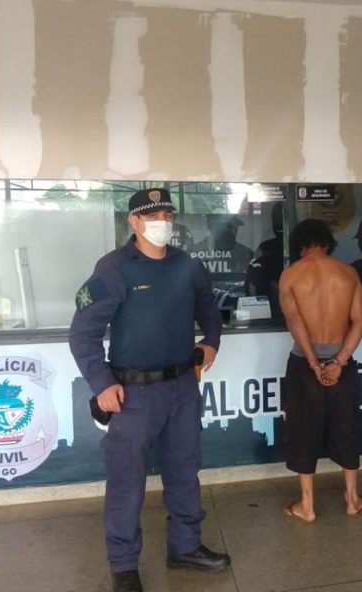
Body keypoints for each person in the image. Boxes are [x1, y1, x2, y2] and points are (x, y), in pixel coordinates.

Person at [69, 188, 231, 592]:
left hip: (181, 388)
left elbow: (210, 308)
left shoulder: (188, 266)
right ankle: (124, 568)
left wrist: (211, 340)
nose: (164, 221)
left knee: (184, 470)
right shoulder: (113, 269)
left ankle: (186, 547)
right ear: (135, 222)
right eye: (154, 215)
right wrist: (101, 382)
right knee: (127, 482)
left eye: (168, 214)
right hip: (132, 395)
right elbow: (82, 334)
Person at [278, 218, 362, 522]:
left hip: (305, 364)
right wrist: (339, 362)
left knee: (303, 430)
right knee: (346, 426)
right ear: (327, 242)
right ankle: (352, 499)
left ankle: (307, 506)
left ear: (300, 245)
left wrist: (314, 364)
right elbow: (359, 322)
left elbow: (295, 323)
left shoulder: (290, 275)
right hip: (342, 364)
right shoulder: (348, 273)